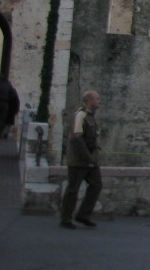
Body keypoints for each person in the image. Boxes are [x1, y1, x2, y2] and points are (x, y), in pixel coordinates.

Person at [60, 90, 102, 229]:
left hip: (90, 160)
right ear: (89, 101)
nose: (99, 101)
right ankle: (65, 219)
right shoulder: (81, 115)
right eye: (97, 99)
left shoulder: (90, 116)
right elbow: (76, 138)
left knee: (96, 185)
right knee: (73, 190)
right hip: (79, 160)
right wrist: (88, 158)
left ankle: (83, 215)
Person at [0, 74, 18, 138]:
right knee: (2, 119)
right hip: (6, 104)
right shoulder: (8, 85)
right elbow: (13, 95)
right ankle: (0, 133)